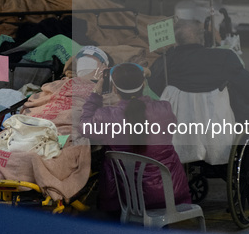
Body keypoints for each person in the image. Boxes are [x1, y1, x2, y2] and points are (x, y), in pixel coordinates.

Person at [81, 62, 191, 213]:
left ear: (114, 89)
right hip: (171, 196)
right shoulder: (164, 109)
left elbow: (84, 126)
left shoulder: (105, 116)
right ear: (144, 84)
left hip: (126, 200)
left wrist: (95, 93)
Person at [149, 19, 249, 122]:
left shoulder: (165, 62)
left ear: (176, 42)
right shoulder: (225, 57)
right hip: (220, 130)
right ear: (203, 39)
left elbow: (155, 86)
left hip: (177, 130)